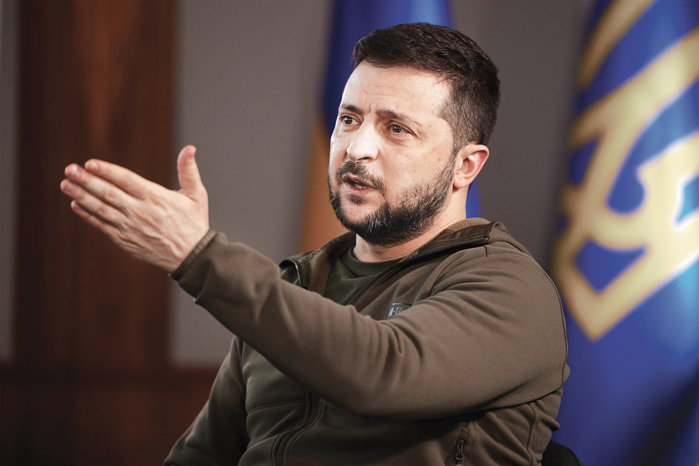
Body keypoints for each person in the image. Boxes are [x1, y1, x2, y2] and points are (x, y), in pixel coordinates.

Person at [60, 23, 568, 465]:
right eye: (349, 119)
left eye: (396, 129)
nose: (357, 148)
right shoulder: (297, 282)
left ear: (465, 165)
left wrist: (199, 257)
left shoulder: (510, 288)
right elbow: (204, 456)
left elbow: (382, 372)